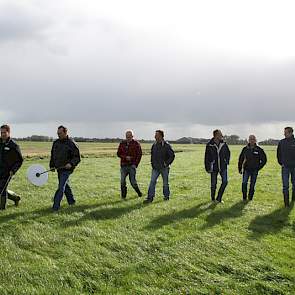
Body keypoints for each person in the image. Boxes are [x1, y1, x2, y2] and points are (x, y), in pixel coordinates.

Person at [50, 125, 81, 211]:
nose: (58, 135)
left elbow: (77, 157)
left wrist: (71, 164)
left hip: (67, 169)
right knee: (65, 185)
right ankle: (71, 201)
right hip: (59, 168)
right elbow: (53, 155)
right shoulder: (55, 143)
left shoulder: (71, 143)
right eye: (57, 133)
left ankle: (55, 207)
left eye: (60, 133)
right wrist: (52, 166)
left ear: (65, 132)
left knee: (61, 187)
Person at [144, 130, 175, 203]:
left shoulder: (167, 145)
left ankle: (166, 197)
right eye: (155, 135)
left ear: (161, 136)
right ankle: (150, 198)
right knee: (152, 182)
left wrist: (166, 164)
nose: (155, 136)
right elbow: (152, 156)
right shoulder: (154, 145)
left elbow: (172, 156)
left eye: (156, 135)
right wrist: (152, 164)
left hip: (164, 168)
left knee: (165, 183)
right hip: (155, 168)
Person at [0, 124, 23, 209]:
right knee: (1, 189)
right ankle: (15, 198)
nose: (2, 134)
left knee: (2, 188)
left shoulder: (14, 146)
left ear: (9, 132)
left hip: (8, 171)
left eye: (4, 132)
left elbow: (20, 161)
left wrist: (13, 170)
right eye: (1, 132)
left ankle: (2, 208)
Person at [238, 135, 267, 201]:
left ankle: (250, 198)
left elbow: (264, 160)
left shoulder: (259, 149)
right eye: (250, 139)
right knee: (244, 183)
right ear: (248, 140)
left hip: (255, 170)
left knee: (252, 185)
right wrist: (240, 169)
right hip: (246, 170)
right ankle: (244, 198)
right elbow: (240, 159)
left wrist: (258, 167)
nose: (252, 140)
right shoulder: (245, 149)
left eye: (253, 139)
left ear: (255, 140)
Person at [204, 129, 230, 203]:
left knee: (225, 182)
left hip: (223, 167)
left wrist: (226, 161)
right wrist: (208, 167)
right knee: (213, 184)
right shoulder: (209, 145)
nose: (222, 135)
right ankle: (213, 199)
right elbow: (206, 157)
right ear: (215, 135)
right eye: (220, 134)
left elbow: (228, 153)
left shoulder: (224, 144)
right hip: (214, 168)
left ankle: (219, 198)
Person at [117, 130, 142, 199]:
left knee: (133, 182)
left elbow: (139, 155)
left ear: (132, 136)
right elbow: (118, 153)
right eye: (127, 136)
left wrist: (135, 164)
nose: (128, 138)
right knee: (122, 181)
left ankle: (139, 193)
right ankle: (123, 197)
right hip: (123, 165)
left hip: (132, 166)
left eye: (129, 136)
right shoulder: (122, 143)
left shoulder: (136, 144)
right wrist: (125, 157)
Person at [277, 127, 295, 207]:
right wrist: (281, 163)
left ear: (291, 133)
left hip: (294, 167)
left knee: (294, 184)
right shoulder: (281, 142)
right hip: (285, 167)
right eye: (284, 132)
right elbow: (278, 154)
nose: (284, 134)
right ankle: (286, 204)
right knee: (285, 186)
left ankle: (293, 200)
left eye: (286, 132)